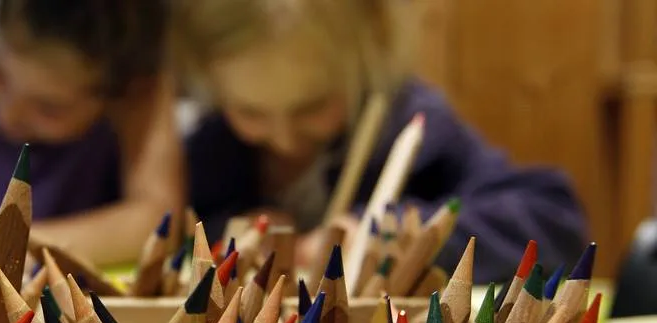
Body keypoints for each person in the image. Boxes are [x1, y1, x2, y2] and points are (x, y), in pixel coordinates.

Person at [174, 0, 587, 282]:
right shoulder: (214, 148)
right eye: (251, 113)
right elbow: (176, 239)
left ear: (373, 49)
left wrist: (402, 239)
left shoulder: (412, 124)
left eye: (312, 107)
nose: (284, 139)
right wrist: (228, 232)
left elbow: (554, 220)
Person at [0, 0, 182, 267]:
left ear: (119, 95)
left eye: (49, 108)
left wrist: (8, 246)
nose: (9, 114)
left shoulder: (139, 97)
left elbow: (160, 223)